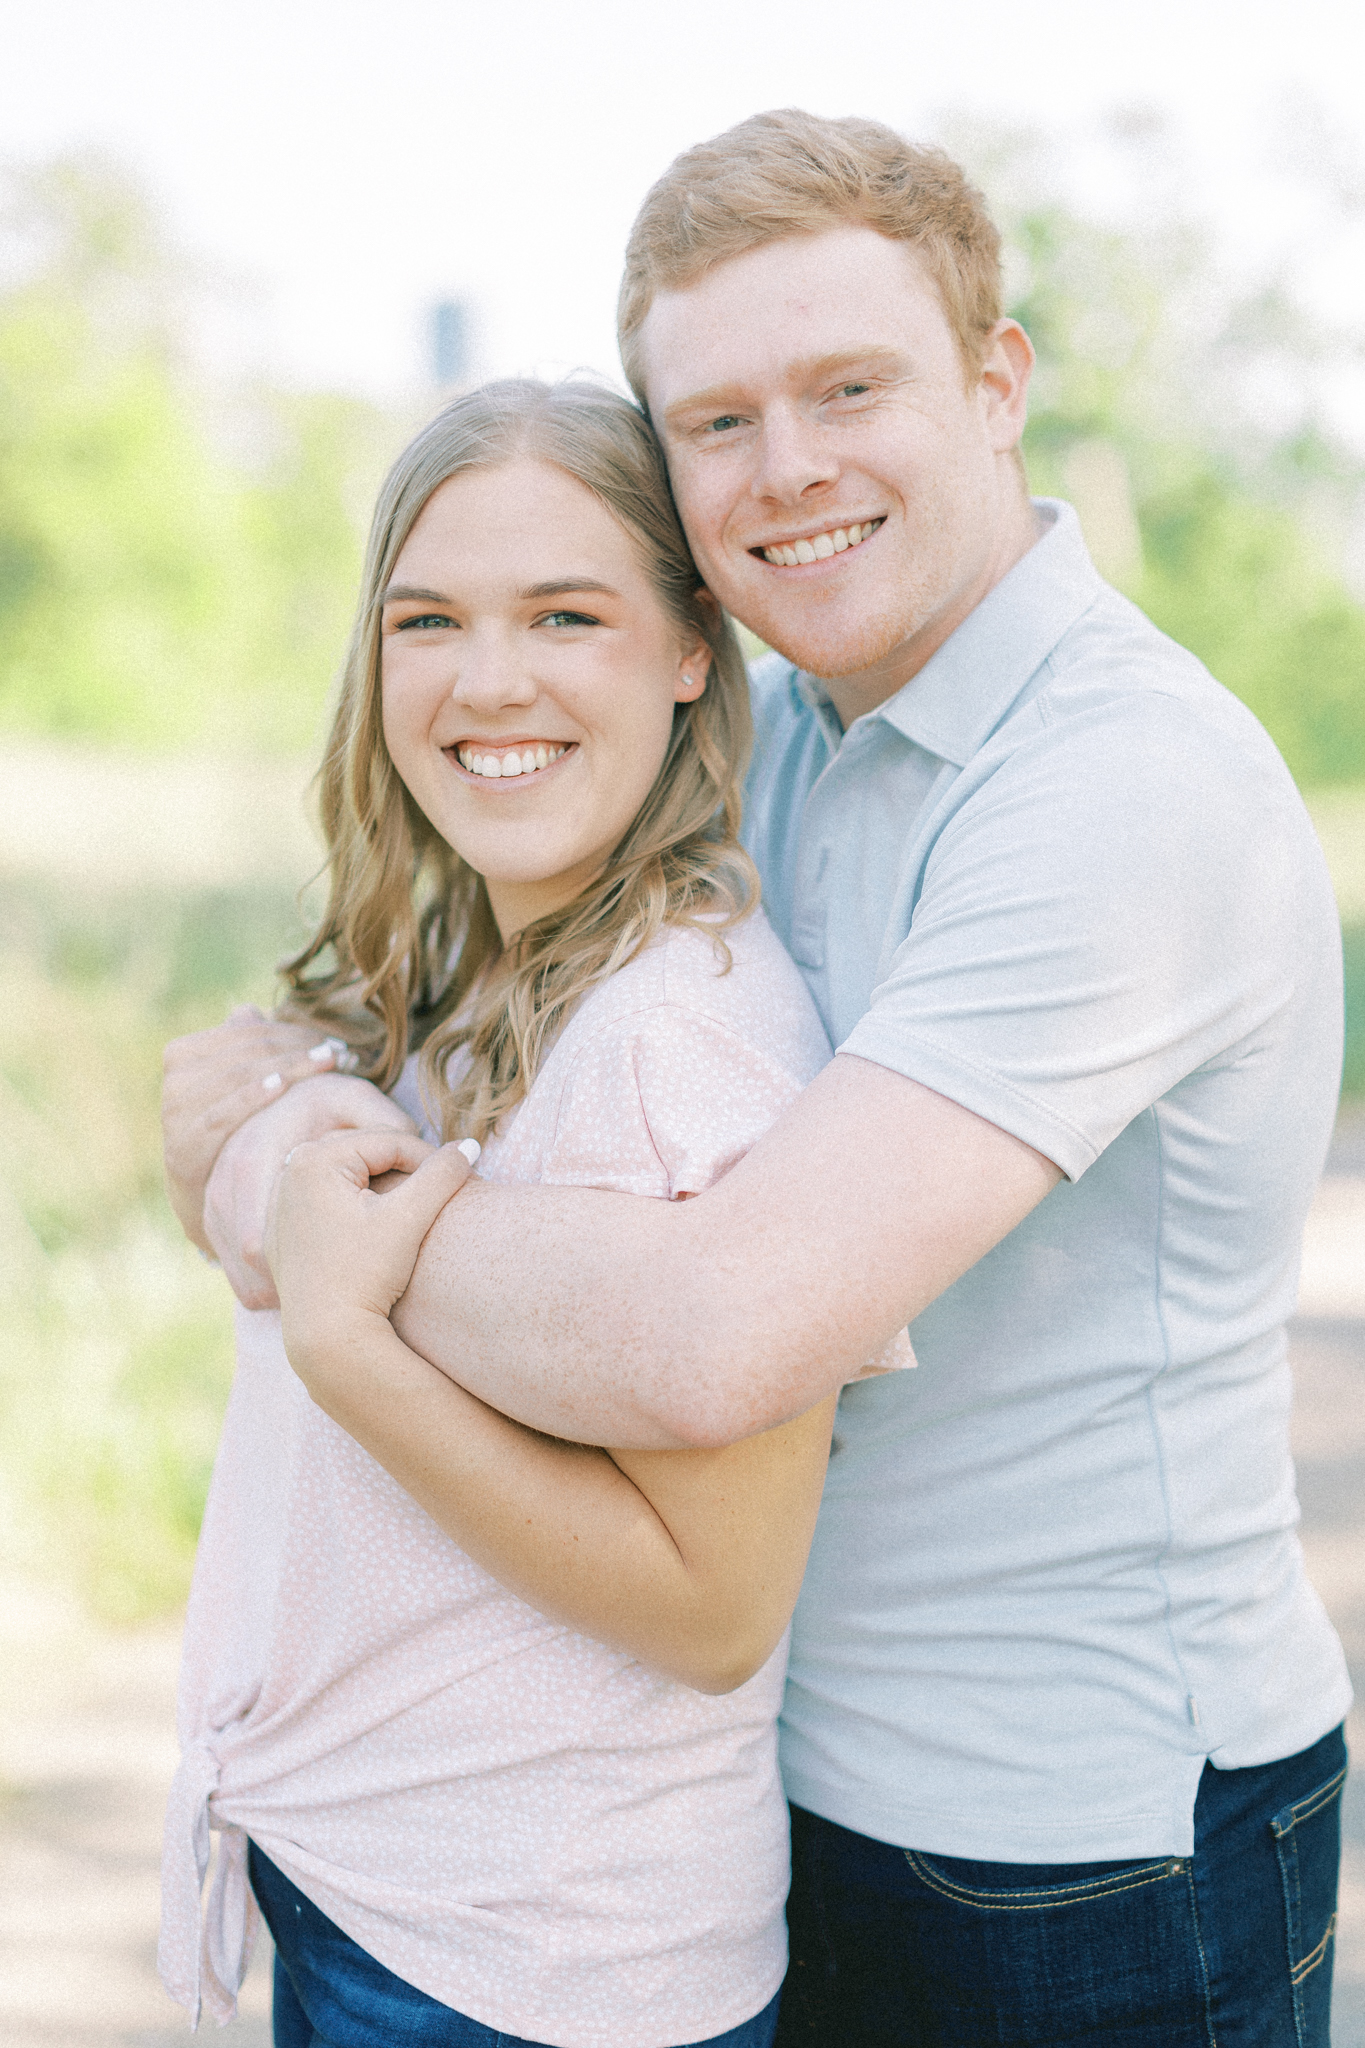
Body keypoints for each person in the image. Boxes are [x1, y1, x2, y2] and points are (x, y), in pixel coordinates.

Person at [167, 112, 1350, 2047]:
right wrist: (301, 1108)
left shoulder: (1118, 792)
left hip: (1085, 1848)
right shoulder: (789, 715)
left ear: (995, 385)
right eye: (714, 419)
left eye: (847, 388)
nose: (784, 467)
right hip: (783, 1797)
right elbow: (452, 1022)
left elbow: (716, 1331)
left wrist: (324, 1203)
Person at [158, 374, 910, 2048]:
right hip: (383, 1896)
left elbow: (714, 1609)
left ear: (690, 648)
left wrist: (352, 1349)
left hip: (525, 1970)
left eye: (565, 615)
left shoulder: (675, 1037)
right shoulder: (470, 964)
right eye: (428, 620)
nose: (487, 681)